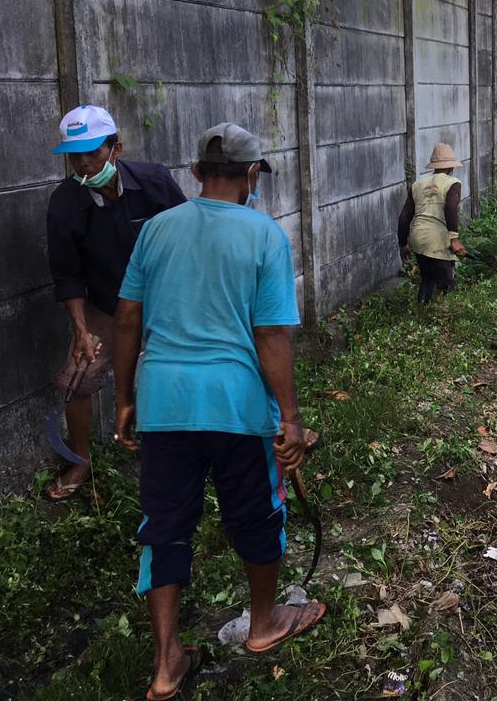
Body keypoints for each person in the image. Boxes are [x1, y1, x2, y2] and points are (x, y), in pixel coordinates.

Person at [112, 123, 324, 701]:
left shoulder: (155, 230)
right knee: (256, 513)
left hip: (163, 404)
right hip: (235, 406)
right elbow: (271, 334)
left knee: (165, 530)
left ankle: (166, 663)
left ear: (197, 173)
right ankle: (263, 625)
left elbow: (127, 318)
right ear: (253, 175)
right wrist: (290, 418)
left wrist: (126, 397)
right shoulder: (263, 234)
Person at [44, 104, 186, 501]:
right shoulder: (64, 203)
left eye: (94, 153)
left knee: (178, 372)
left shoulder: (155, 181)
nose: (86, 164)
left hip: (165, 299)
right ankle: (80, 460)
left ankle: (183, 453)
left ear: (116, 149)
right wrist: (81, 329)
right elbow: (67, 274)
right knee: (78, 377)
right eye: (77, 156)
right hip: (107, 304)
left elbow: (188, 235)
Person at [398, 143, 468, 304]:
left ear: (434, 166)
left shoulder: (418, 184)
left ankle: (422, 313)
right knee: (446, 283)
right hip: (437, 239)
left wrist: (403, 244)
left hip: (418, 237)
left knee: (427, 277)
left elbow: (404, 217)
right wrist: (454, 239)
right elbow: (451, 207)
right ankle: (442, 319)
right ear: (451, 166)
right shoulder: (452, 183)